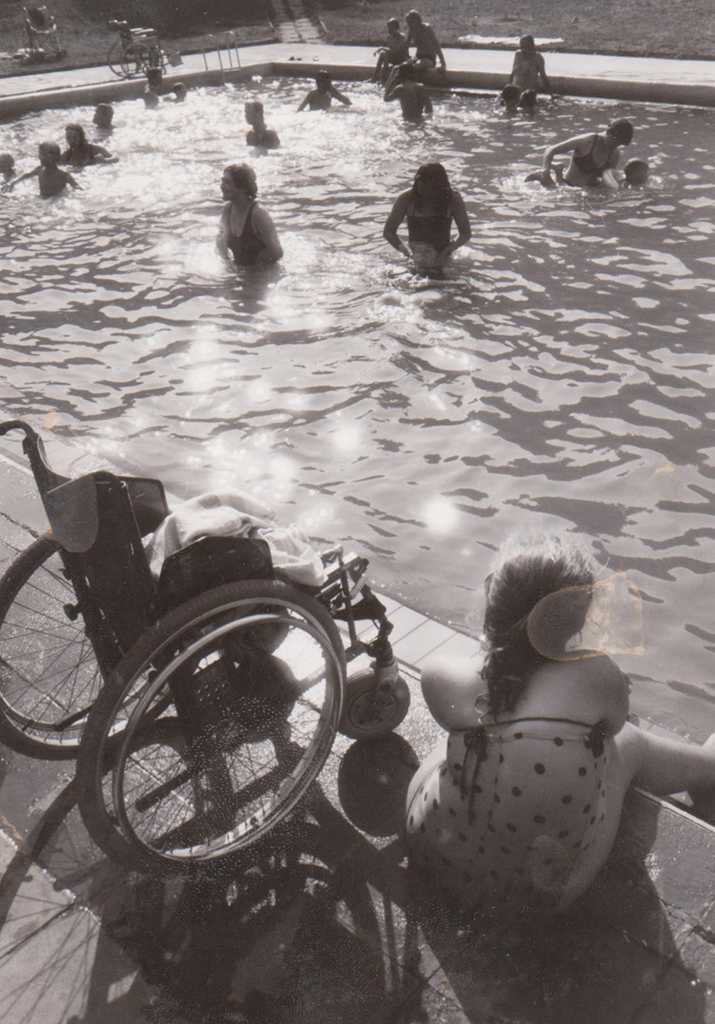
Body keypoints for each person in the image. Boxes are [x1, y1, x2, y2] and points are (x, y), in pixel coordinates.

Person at [405, 532, 715, 919]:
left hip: (437, 853)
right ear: (579, 619)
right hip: (539, 896)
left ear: (492, 599)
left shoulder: (439, 673)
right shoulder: (596, 675)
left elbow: (480, 690)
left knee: (470, 736)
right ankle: (708, 766)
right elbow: (616, 723)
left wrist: (502, 660)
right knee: (629, 743)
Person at [383, 162, 471, 272]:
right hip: (414, 256)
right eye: (422, 189)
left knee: (454, 280)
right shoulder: (406, 198)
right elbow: (389, 232)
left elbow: (465, 233)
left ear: (440, 187)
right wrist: (408, 253)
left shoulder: (453, 199)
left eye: (431, 190)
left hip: (442, 257)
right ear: (416, 183)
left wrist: (446, 252)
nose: (426, 195)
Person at [530, 117, 634, 187]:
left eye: (619, 144)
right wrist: (546, 171)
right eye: (615, 141)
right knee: (548, 187)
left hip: (588, 190)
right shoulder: (588, 141)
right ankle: (553, 172)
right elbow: (550, 150)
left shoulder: (614, 154)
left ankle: (558, 171)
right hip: (568, 185)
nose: (615, 146)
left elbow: (607, 180)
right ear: (608, 131)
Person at [217, 163, 283, 266]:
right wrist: (228, 264)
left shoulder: (258, 214)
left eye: (227, 183)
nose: (222, 186)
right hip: (240, 270)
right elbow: (220, 242)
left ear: (241, 189)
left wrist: (255, 271)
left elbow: (277, 252)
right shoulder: (227, 210)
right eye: (222, 181)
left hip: (262, 271)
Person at [3, 141, 79, 198]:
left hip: (57, 201)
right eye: (40, 154)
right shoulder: (40, 170)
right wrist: (12, 182)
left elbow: (77, 188)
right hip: (43, 199)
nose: (39, 157)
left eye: (42, 154)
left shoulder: (63, 175)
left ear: (52, 157)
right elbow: (26, 175)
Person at [507, 35, 554, 103]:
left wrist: (551, 94)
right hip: (515, 92)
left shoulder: (537, 58)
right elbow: (513, 73)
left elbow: (543, 77)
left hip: (527, 95)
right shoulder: (518, 55)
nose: (522, 48)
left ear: (531, 45)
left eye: (525, 45)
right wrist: (508, 89)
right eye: (521, 45)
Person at [404, 10, 446, 76]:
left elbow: (436, 45)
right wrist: (406, 56)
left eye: (409, 23)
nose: (408, 25)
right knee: (402, 66)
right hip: (418, 57)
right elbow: (406, 45)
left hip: (429, 58)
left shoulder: (426, 28)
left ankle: (412, 81)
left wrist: (443, 64)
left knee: (417, 65)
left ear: (415, 21)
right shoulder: (412, 30)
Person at [371, 18, 409, 85]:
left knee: (385, 54)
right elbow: (389, 50)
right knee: (383, 54)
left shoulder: (402, 37)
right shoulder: (389, 37)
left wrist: (382, 48)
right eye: (388, 28)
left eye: (391, 29)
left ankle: (383, 79)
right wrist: (382, 49)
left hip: (402, 58)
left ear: (396, 28)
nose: (389, 31)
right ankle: (374, 77)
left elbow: (395, 51)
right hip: (394, 58)